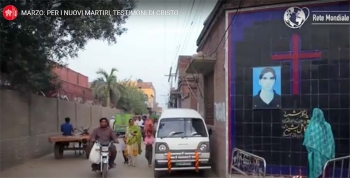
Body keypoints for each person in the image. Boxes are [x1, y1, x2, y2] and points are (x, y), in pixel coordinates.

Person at [303, 108, 335, 178]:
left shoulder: (311, 126)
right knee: (325, 173)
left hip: (314, 158)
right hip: (326, 157)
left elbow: (308, 143)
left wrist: (314, 151)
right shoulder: (327, 126)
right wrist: (328, 153)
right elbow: (331, 142)